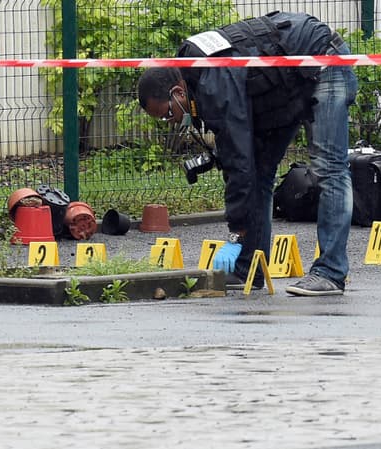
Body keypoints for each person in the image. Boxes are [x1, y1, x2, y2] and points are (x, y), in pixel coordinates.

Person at [137, 11, 358, 296]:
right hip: (285, 84)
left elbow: (237, 157)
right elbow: (242, 161)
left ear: (179, 92)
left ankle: (330, 272)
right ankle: (249, 269)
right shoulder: (197, 74)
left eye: (168, 114)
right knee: (260, 172)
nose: (172, 122)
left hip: (321, 60)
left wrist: (236, 233)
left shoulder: (212, 82)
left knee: (330, 168)